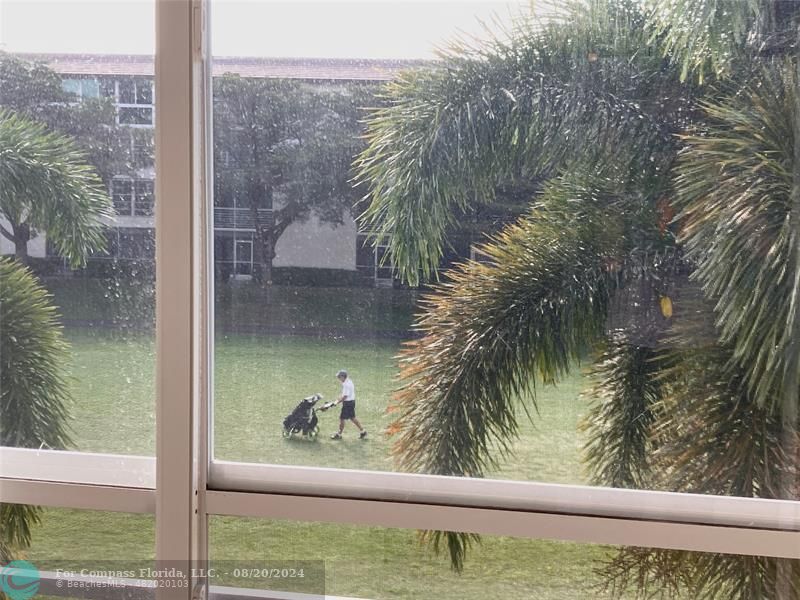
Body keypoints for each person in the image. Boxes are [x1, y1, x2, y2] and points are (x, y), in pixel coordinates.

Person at [331, 369, 367, 440]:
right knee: (352, 418)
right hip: (351, 402)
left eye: (339, 377)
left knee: (342, 418)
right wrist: (338, 399)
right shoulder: (348, 381)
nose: (338, 378)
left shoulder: (347, 385)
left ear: (343, 377)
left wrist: (336, 402)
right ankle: (363, 431)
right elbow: (344, 395)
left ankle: (339, 434)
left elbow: (345, 396)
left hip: (348, 404)